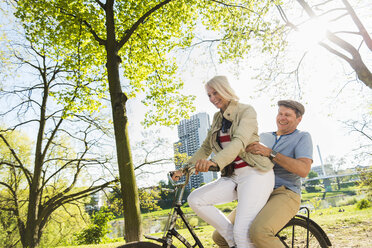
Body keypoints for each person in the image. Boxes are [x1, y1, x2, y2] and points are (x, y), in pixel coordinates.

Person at [172, 75, 274, 248]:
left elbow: (239, 142)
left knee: (242, 233)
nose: (212, 98)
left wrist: (215, 162)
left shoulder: (246, 111)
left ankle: (239, 239)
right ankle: (233, 242)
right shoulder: (217, 118)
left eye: (215, 93)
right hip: (233, 176)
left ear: (225, 90)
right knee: (195, 199)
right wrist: (185, 169)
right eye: (209, 95)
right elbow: (206, 147)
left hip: (255, 174)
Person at [212, 99, 313, 248]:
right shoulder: (263, 136)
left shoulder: (302, 137)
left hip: (284, 193)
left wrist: (270, 153)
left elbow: (303, 170)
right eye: (280, 113)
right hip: (257, 192)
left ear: (299, 119)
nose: (282, 118)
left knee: (259, 233)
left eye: (288, 115)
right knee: (221, 236)